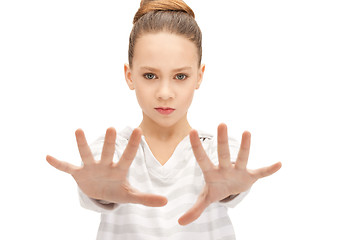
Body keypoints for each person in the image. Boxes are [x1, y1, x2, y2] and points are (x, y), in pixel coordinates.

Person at [46, 0, 282, 239]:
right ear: (129, 76)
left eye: (180, 76)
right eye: (150, 75)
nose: (165, 92)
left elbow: (230, 176)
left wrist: (231, 189)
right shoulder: (111, 151)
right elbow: (97, 181)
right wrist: (97, 194)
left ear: (199, 77)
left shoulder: (216, 152)